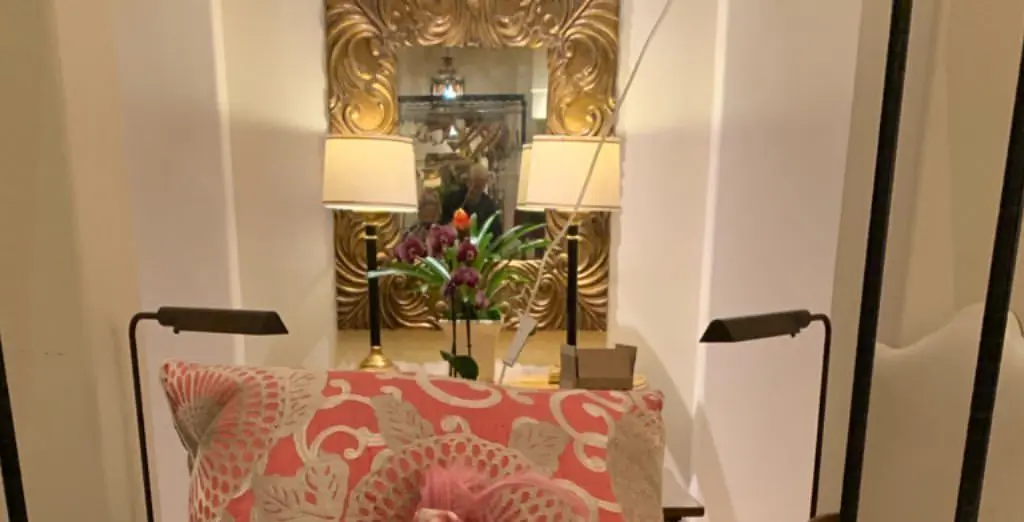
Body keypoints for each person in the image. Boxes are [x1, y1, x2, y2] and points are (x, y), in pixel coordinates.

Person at [442, 164, 502, 238]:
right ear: (467, 181)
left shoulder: (490, 208)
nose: (472, 189)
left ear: (484, 185)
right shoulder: (452, 199)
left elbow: (496, 236)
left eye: (478, 187)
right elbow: (442, 226)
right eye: (471, 183)